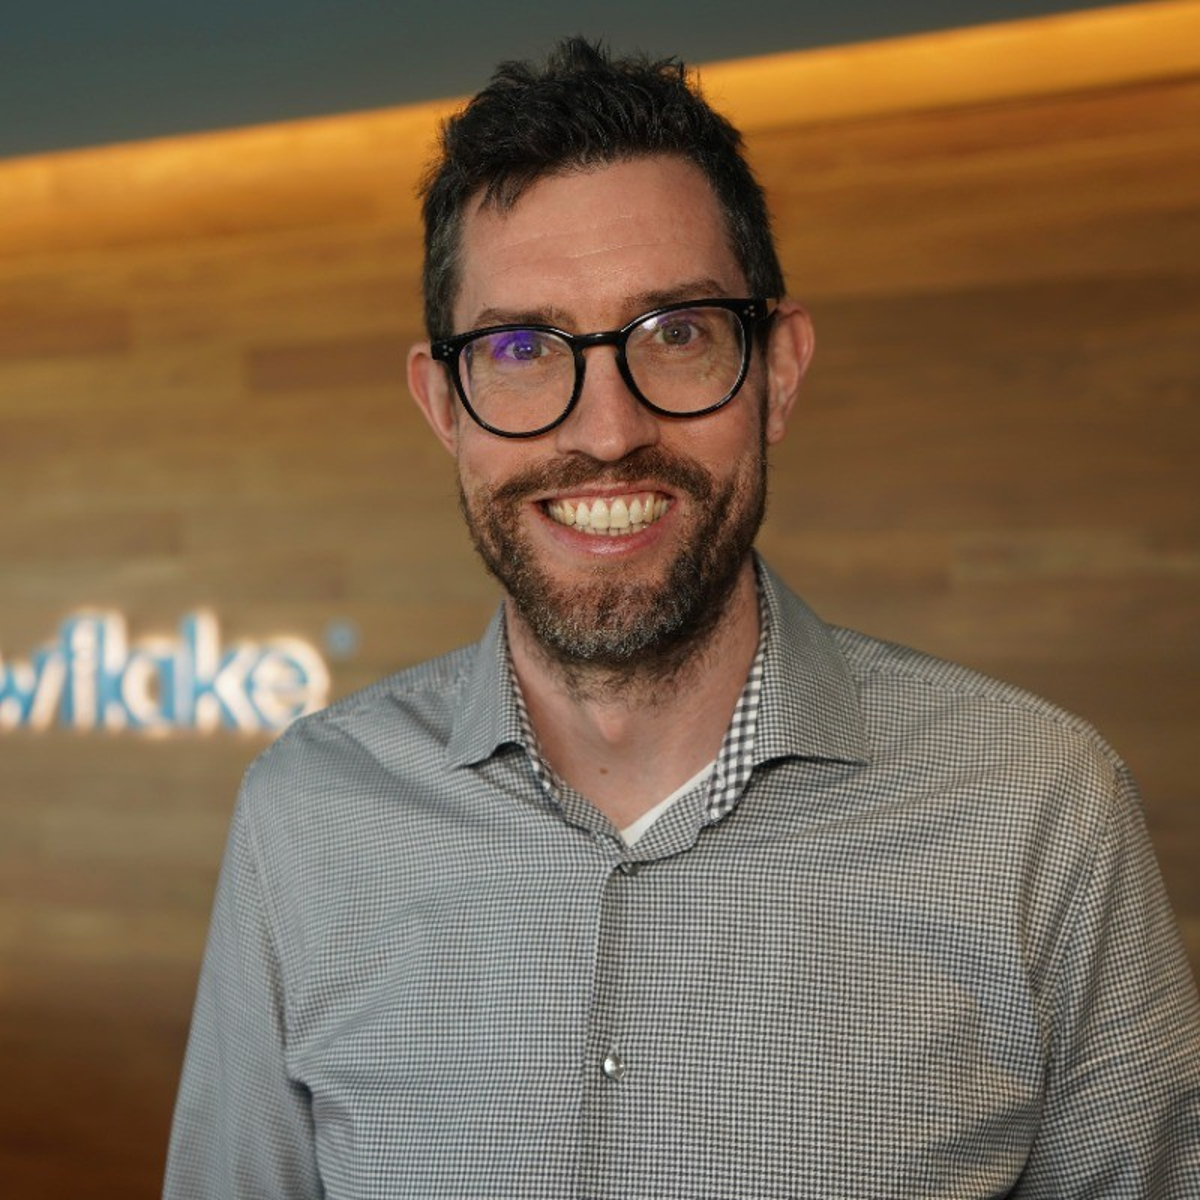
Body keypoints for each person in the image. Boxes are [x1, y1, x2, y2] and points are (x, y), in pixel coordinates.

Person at [164, 38, 1200, 1198]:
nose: (608, 431)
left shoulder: (1039, 813)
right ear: (443, 404)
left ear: (779, 370)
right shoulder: (306, 819)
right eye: (521, 347)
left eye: (677, 334)